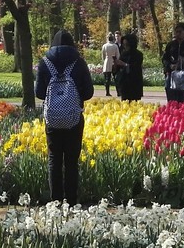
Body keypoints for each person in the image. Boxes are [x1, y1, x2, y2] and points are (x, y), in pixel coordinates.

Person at [33, 28, 95, 206]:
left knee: (54, 159)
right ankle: (72, 201)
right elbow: (89, 92)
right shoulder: (79, 62)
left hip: (52, 118)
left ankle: (56, 201)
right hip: (73, 117)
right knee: (71, 160)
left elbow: (39, 93)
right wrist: (73, 97)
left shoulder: (45, 63)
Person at [162, 21, 184, 104]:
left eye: (180, 32)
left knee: (182, 100)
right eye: (176, 32)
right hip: (171, 75)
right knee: (171, 99)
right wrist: (170, 66)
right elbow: (164, 59)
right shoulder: (171, 45)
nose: (178, 34)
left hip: (183, 76)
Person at [115, 32, 144, 101]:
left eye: (127, 45)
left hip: (134, 84)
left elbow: (136, 68)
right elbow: (118, 70)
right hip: (124, 84)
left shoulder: (138, 55)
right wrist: (116, 65)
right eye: (124, 45)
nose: (125, 47)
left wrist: (125, 65)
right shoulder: (123, 54)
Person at [98, 31, 121, 96]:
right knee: (116, 78)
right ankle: (118, 92)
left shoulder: (105, 46)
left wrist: (104, 60)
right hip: (114, 62)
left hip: (107, 62)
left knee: (107, 78)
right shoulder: (115, 46)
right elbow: (118, 55)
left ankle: (107, 92)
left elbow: (103, 55)